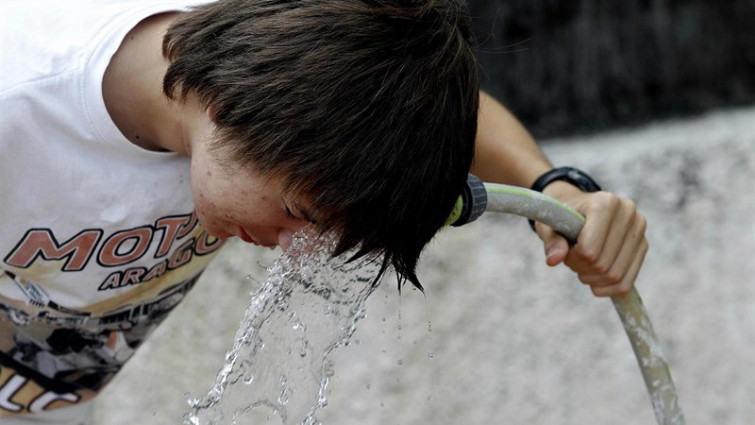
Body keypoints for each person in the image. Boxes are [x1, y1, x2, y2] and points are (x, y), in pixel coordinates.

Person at [0, 0, 647, 423]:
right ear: (227, 108)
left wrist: (555, 188)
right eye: (295, 210)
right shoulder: (19, 104)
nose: (296, 245)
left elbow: (419, 101)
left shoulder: (276, 52)